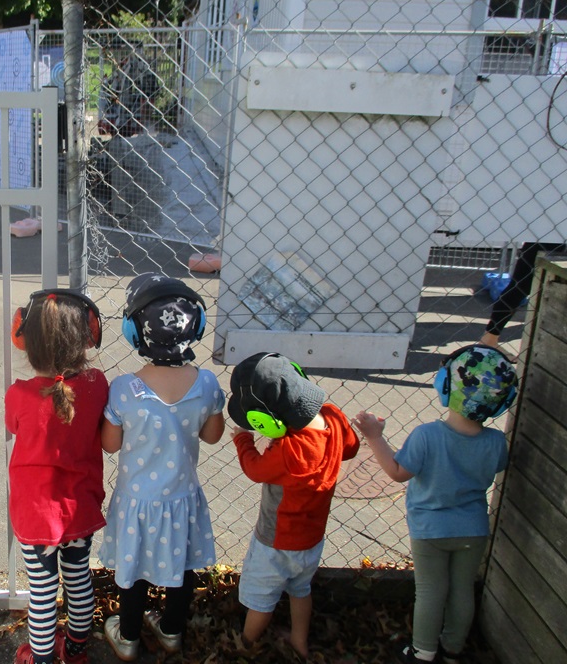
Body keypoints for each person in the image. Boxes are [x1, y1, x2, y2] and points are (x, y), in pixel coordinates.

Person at [351, 345, 517, 664]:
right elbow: (494, 466)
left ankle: (423, 652)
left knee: (430, 591)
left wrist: (374, 436)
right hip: (473, 530)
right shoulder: (496, 442)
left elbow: (398, 473)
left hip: (431, 531)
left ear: (446, 385)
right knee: (461, 591)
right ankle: (453, 650)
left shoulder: (427, 436)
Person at [100, 273, 225, 661]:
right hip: (182, 497)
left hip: (137, 500)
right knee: (183, 567)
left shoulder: (124, 388)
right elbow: (212, 435)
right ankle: (171, 632)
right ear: (197, 327)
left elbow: (110, 443)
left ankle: (130, 637)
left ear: (134, 331)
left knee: (133, 569)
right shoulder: (206, 383)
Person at [227, 351, 360, 659]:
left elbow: (255, 470)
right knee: (301, 590)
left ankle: (245, 645)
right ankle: (299, 641)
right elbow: (350, 449)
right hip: (312, 538)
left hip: (275, 541)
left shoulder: (292, 451)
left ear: (267, 421)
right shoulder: (332, 416)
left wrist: (243, 440)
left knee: (261, 599)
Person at [6, 288, 109, 664]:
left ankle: (43, 656)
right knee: (79, 576)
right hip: (80, 505)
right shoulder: (97, 385)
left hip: (35, 512)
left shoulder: (19, 394)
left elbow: (14, 428)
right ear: (87, 337)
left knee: (42, 590)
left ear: (24, 341)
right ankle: (78, 650)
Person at [480, 242, 567, 348]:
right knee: (519, 288)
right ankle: (490, 338)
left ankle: (490, 337)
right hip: (547, 240)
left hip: (548, 238)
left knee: (519, 288)